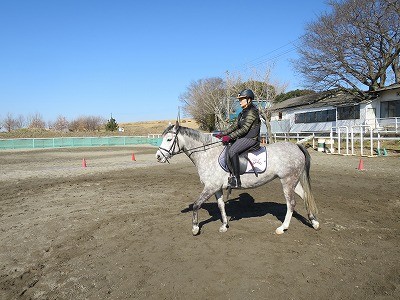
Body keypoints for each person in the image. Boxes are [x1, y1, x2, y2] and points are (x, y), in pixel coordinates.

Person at [216, 89, 261, 188]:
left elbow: (244, 129)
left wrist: (229, 137)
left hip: (251, 139)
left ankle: (237, 180)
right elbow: (234, 127)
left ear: (249, 100)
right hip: (244, 138)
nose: (240, 101)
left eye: (242, 99)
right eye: (239, 99)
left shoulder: (252, 112)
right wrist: (222, 134)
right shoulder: (242, 113)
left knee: (232, 151)